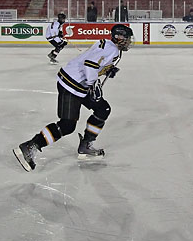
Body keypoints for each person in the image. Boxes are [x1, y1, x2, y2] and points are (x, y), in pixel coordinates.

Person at [13, 24, 134, 172]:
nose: (129, 42)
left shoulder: (107, 45)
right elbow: (89, 64)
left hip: (79, 85)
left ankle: (85, 145)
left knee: (103, 109)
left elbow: (95, 61)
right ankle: (30, 146)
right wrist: (93, 83)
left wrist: (106, 69)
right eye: (127, 39)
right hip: (72, 85)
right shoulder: (112, 49)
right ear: (119, 38)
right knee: (67, 125)